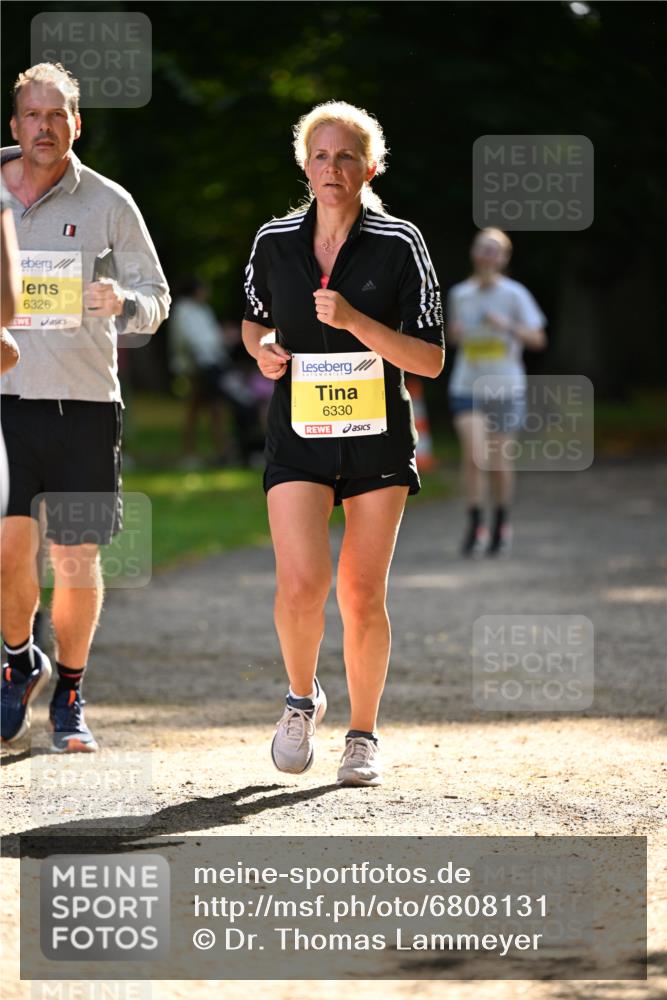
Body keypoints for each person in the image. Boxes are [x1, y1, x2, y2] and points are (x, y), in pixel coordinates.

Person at [242, 100, 444, 787]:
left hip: (375, 440)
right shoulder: (274, 240)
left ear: (370, 167)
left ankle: (362, 736)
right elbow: (253, 322)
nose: (333, 168)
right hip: (298, 435)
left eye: (347, 156)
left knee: (360, 593)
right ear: (305, 165)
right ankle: (301, 701)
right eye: (321, 156)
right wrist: (263, 349)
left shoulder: (399, 243)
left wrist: (356, 320)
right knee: (301, 583)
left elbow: (429, 359)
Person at [0, 62, 170, 752]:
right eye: (33, 115)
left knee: (73, 559)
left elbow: (156, 297)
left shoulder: (108, 202)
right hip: (6, 401)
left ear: (77, 124)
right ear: (15, 125)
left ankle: (69, 692)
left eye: (57, 115)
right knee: (8, 551)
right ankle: (19, 661)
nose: (44, 127)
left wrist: (124, 302)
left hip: (85, 404)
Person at [447, 228, 547, 557]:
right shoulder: (460, 294)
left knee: (500, 462)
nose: (488, 255)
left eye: (495, 250)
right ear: (473, 253)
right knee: (475, 455)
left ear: (504, 258)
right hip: (466, 386)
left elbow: (538, 339)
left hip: (506, 388)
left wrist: (507, 326)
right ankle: (476, 523)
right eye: (483, 248)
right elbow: (454, 338)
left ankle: (501, 520)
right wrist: (455, 334)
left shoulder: (515, 294)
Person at [168, 278, 259, 467]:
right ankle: (190, 453)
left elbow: (210, 338)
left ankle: (223, 451)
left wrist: (223, 339)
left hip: (212, 365)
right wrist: (220, 340)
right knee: (194, 410)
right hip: (195, 368)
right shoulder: (183, 310)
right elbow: (192, 340)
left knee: (216, 409)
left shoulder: (203, 310)